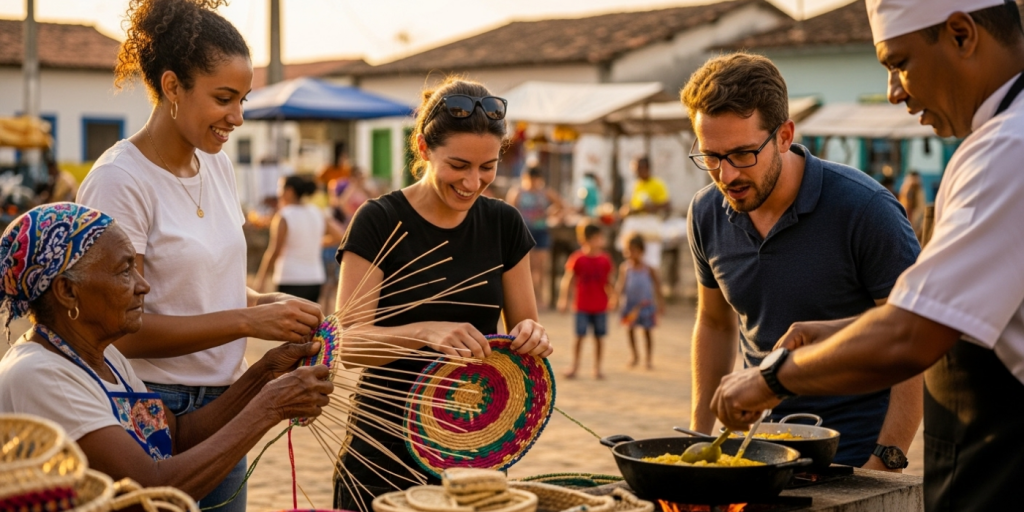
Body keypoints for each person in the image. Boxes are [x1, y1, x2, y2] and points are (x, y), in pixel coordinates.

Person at [711, 2, 1024, 508]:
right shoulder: (998, 141)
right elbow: (953, 315)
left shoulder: (1008, 149)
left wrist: (771, 379)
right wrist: (840, 332)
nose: (894, 92)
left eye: (899, 63)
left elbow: (910, 335)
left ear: (962, 34)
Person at [75, 1, 322, 509]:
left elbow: (198, 284)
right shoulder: (120, 181)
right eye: (223, 99)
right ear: (172, 86)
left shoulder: (217, 166)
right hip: (152, 402)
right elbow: (120, 329)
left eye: (242, 100)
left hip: (227, 400)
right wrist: (248, 322)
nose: (237, 117)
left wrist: (263, 303)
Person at [683, 52, 923, 468]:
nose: (727, 175)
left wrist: (886, 458)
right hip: (753, 451)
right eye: (711, 157)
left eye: (742, 154)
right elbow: (715, 323)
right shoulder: (705, 212)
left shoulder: (866, 209)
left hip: (853, 454)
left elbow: (916, 335)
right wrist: (700, 441)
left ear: (784, 135)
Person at [0, 203, 333, 502]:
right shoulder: (40, 375)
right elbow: (151, 488)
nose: (143, 286)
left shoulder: (104, 357)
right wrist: (269, 406)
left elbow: (177, 436)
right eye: (125, 271)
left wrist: (265, 373)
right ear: (67, 291)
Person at [332, 77, 553, 511]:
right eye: (459, 165)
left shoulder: (504, 224)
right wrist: (426, 331)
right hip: (382, 448)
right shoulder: (379, 220)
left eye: (487, 167)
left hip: (475, 449)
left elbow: (525, 328)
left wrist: (533, 336)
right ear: (423, 147)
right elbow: (349, 345)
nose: (473, 182)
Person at [255, 175, 340, 302]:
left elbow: (275, 251)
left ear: (289, 191)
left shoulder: (284, 216)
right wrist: (312, 243)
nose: (278, 192)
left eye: (280, 188)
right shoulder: (317, 212)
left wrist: (261, 279)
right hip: (315, 279)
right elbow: (339, 236)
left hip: (290, 278)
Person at [557, 221, 613, 379]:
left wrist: (614, 297)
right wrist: (563, 299)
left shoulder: (605, 260)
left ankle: (597, 368)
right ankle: (574, 366)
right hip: (581, 305)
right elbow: (568, 279)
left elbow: (609, 282)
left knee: (599, 338)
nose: (600, 241)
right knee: (579, 337)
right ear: (585, 240)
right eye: (597, 238)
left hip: (600, 306)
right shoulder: (577, 259)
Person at [507, 167, 563, 308]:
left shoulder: (545, 192)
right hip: (524, 232)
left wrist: (550, 213)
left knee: (541, 268)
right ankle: (529, 298)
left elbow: (561, 204)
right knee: (529, 268)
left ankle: (540, 298)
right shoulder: (518, 192)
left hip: (541, 231)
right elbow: (509, 211)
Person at [614, 233, 664, 370]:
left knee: (647, 332)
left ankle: (648, 358)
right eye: (628, 250)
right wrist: (615, 298)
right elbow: (621, 285)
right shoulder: (625, 268)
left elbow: (658, 286)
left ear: (641, 251)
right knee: (630, 330)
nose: (630, 254)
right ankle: (635, 355)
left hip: (646, 306)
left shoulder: (649, 269)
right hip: (630, 305)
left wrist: (661, 304)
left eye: (634, 250)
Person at [898, 170, 926, 239]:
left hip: (915, 218)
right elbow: (903, 203)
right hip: (907, 215)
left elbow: (921, 207)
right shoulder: (905, 188)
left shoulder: (919, 190)